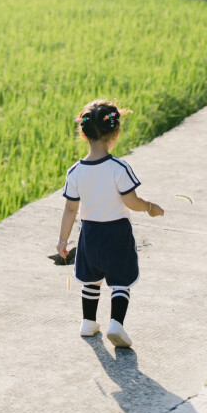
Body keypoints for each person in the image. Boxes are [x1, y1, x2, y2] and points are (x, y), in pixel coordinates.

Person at [56, 98, 164, 348]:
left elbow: (70, 208)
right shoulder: (119, 168)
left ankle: (88, 322)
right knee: (120, 280)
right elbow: (132, 201)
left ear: (83, 134)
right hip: (116, 233)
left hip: (89, 234)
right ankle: (116, 323)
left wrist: (62, 241)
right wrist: (150, 208)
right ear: (115, 133)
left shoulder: (75, 172)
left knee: (91, 279)